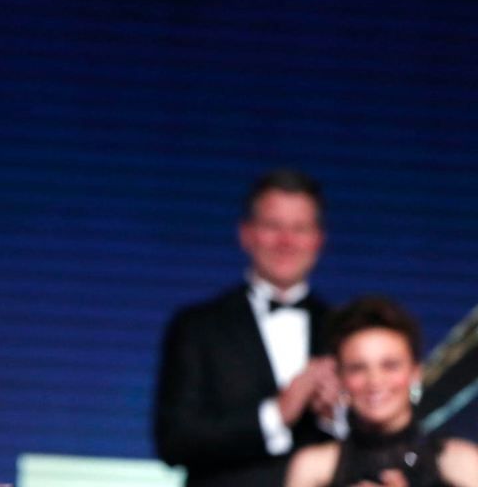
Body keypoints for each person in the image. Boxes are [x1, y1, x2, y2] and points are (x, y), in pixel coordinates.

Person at [155, 168, 343, 487]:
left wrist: (336, 416)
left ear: (318, 240)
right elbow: (174, 441)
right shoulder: (198, 327)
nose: (286, 241)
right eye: (273, 226)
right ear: (246, 234)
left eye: (299, 228)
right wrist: (275, 415)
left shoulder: (344, 332)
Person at [285, 296, 478, 487]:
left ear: (415, 372)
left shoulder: (462, 464)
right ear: (340, 377)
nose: (375, 381)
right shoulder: (313, 469)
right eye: (358, 368)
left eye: (390, 366)